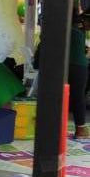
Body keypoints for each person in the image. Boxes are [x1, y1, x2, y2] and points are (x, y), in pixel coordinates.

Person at [34, 11, 90, 139]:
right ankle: (80, 129)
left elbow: (41, 53)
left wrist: (37, 64)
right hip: (78, 67)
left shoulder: (49, 31)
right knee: (78, 96)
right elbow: (82, 52)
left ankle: (49, 129)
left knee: (52, 95)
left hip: (56, 67)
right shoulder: (78, 33)